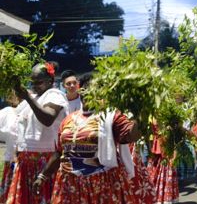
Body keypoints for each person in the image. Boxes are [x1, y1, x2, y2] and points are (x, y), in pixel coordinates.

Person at [32, 73, 141, 203]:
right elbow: (60, 152)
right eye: (84, 88)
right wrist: (43, 175)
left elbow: (129, 136)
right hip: (69, 186)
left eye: (93, 89)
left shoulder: (111, 116)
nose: (88, 92)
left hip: (100, 185)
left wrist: (141, 114)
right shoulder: (69, 119)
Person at [7, 62, 69, 204]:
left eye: (39, 82)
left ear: (51, 81)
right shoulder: (35, 97)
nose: (34, 86)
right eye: (32, 83)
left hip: (47, 162)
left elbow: (47, 119)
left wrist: (28, 97)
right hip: (27, 161)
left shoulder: (55, 95)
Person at [0, 92, 21, 203]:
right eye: (13, 94)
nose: (17, 97)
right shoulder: (6, 112)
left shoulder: (30, 110)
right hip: (11, 158)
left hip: (28, 158)